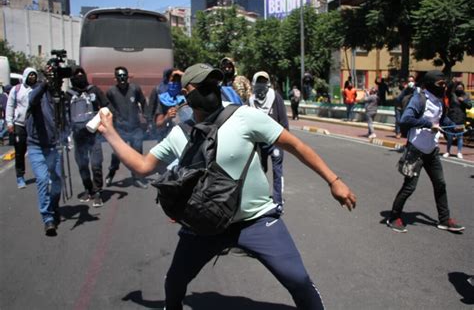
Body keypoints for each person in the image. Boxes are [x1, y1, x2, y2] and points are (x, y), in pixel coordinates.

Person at [97, 63, 357, 309]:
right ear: (188, 94)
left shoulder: (245, 117)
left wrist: (333, 181)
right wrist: (109, 132)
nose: (212, 91)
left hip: (256, 220)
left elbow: (296, 146)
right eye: (204, 86)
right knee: (174, 283)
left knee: (299, 281)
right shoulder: (180, 134)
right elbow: (143, 166)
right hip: (204, 224)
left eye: (215, 85)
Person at [386, 70, 465, 233]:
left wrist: (454, 127)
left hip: (432, 149)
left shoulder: (439, 101)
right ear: (430, 84)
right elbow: (405, 119)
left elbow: (442, 120)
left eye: (444, 84)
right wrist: (428, 124)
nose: (443, 87)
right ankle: (394, 217)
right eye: (440, 84)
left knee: (440, 184)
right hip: (416, 149)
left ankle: (444, 220)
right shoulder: (419, 98)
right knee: (409, 187)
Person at [26, 64, 67, 236]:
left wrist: (66, 136)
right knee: (43, 179)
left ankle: (54, 205)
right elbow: (33, 99)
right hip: (36, 146)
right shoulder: (36, 92)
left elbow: (64, 118)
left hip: (53, 146)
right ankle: (48, 218)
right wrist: (44, 84)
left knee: (57, 180)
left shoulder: (57, 96)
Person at [65, 66, 109, 207]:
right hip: (78, 135)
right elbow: (63, 115)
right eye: (76, 75)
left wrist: (102, 123)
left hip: (94, 134)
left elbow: (106, 107)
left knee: (96, 164)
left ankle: (98, 192)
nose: (79, 77)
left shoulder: (94, 90)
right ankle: (88, 189)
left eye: (81, 74)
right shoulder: (68, 95)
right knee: (82, 164)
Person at [249, 71, 289, 209]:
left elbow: (283, 119)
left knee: (277, 170)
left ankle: (278, 201)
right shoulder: (250, 101)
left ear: (268, 83)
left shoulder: (275, 97)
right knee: (260, 170)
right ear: (254, 83)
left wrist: (286, 140)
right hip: (259, 142)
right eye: (258, 82)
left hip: (276, 141)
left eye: (264, 82)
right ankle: (262, 198)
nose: (261, 85)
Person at [104, 66, 148, 189]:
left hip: (135, 127)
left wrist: (146, 118)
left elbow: (143, 103)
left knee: (137, 153)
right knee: (117, 154)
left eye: (124, 76)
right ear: (115, 78)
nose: (122, 78)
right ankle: (111, 173)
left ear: (128, 77)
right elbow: (107, 107)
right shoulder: (111, 92)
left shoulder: (135, 89)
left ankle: (137, 178)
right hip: (120, 128)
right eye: (119, 76)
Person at [6, 67, 38, 188]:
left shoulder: (38, 89)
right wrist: (9, 122)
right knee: (20, 152)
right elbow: (10, 106)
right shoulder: (16, 89)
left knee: (37, 150)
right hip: (20, 125)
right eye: (30, 75)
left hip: (34, 126)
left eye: (34, 75)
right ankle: (20, 176)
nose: (32, 77)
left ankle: (41, 174)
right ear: (25, 76)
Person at [153, 69, 190, 141]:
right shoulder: (163, 99)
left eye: (178, 80)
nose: (175, 83)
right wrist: (167, 117)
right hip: (167, 138)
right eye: (172, 80)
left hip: (185, 138)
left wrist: (184, 76)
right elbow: (158, 124)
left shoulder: (187, 97)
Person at [443, 81, 472, 159]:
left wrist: (464, 101)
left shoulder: (466, 95)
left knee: (460, 136)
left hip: (461, 118)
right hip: (451, 118)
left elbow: (470, 106)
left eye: (461, 87)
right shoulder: (452, 95)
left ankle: (459, 152)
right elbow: (448, 90)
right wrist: (452, 83)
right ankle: (448, 151)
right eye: (458, 87)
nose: (459, 89)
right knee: (449, 137)